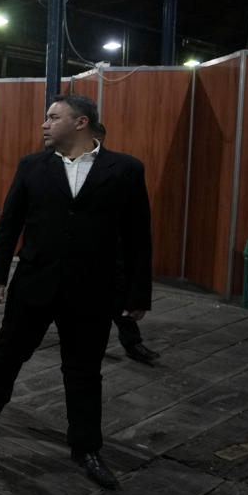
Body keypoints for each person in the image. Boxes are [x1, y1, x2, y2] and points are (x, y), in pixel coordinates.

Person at [0, 94, 152, 490]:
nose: (44, 124)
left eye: (53, 117)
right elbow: (10, 223)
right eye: (45, 118)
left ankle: (86, 447)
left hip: (93, 290)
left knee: (84, 370)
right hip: (35, 281)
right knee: (9, 351)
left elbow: (139, 237)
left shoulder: (126, 170)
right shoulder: (32, 166)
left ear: (81, 122)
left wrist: (137, 294)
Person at [90, 122, 159, 366]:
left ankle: (132, 344)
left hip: (114, 248)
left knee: (118, 298)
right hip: (86, 251)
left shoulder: (119, 168)